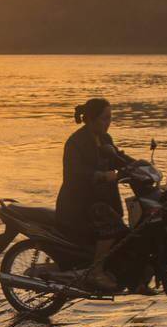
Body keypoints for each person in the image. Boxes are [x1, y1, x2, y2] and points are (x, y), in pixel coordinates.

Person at [55, 98, 134, 292]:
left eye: (110, 118)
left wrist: (138, 166)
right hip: (78, 205)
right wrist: (101, 176)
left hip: (100, 202)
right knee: (110, 224)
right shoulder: (76, 142)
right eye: (104, 119)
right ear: (91, 120)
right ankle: (95, 271)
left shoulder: (106, 139)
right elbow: (74, 174)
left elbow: (118, 158)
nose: (108, 123)